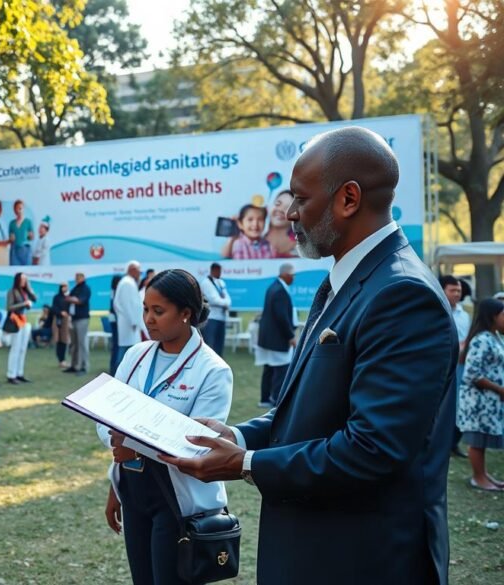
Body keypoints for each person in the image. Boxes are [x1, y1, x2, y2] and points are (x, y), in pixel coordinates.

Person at [161, 127, 457, 584]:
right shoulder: (347, 278)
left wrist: (243, 465)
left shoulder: (401, 293)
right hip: (317, 547)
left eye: (299, 198)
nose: (291, 213)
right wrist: (237, 437)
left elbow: (372, 449)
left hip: (360, 559)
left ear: (349, 199)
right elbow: (310, 411)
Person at [99, 269, 233, 585]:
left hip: (176, 498)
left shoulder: (213, 371)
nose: (148, 319)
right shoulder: (135, 355)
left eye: (158, 311)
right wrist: (116, 487)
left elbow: (199, 443)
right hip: (134, 489)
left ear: (186, 313)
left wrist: (136, 445)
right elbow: (109, 418)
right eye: (145, 308)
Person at [457, 298, 504, 491]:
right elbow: (472, 373)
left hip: (489, 401)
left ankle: (484, 475)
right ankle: (478, 478)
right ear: (493, 316)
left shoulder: (495, 337)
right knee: (477, 439)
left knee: (482, 439)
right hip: (477, 401)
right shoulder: (481, 339)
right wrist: (500, 390)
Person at [255, 263, 297, 407]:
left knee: (269, 368)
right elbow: (282, 317)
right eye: (292, 275)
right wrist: (291, 336)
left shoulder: (273, 287)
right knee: (281, 369)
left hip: (268, 339)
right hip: (277, 339)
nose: (294, 278)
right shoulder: (280, 290)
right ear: (285, 274)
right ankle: (277, 401)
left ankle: (264, 399)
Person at [440, 274, 470, 458]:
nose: (457, 294)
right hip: (443, 364)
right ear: (443, 290)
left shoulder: (464, 314)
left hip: (461, 364)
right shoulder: (438, 309)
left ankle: (454, 443)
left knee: (459, 404)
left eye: (458, 290)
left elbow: (466, 336)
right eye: (453, 290)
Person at [114, 261, 148, 373]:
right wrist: (134, 322)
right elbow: (128, 305)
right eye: (139, 271)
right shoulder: (127, 283)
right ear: (132, 270)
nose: (140, 274)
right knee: (125, 353)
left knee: (128, 353)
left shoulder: (128, 282)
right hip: (129, 324)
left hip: (129, 323)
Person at [5, 272, 37, 384]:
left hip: (24, 320)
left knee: (23, 348)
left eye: (25, 279)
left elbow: (35, 298)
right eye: (22, 279)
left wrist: (29, 288)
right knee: (15, 348)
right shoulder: (12, 291)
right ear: (17, 280)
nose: (24, 281)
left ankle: (19, 373)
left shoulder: (25, 291)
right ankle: (11, 375)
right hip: (15, 321)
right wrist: (24, 304)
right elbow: (9, 307)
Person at [64, 272, 92, 375]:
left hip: (82, 319)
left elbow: (80, 301)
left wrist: (71, 299)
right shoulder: (76, 288)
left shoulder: (85, 288)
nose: (77, 279)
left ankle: (83, 366)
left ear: (83, 278)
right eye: (76, 277)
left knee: (82, 343)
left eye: (79, 277)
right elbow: (68, 299)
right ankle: (74, 365)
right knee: (74, 343)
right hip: (74, 318)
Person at [200, 263, 230, 356]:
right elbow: (214, 300)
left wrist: (225, 302)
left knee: (219, 345)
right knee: (210, 345)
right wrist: (224, 302)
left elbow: (228, 300)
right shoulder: (206, 283)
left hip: (222, 317)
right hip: (211, 318)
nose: (220, 273)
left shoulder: (221, 282)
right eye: (218, 271)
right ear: (213, 270)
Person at [265, 190, 298, 257]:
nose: (281, 210)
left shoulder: (300, 248)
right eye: (278, 204)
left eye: (289, 208)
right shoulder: (252, 238)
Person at [51, 283, 72, 367]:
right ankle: (60, 359)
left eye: (66, 286)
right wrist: (60, 312)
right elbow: (54, 308)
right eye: (63, 287)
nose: (64, 288)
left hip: (66, 321)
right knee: (58, 340)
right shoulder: (57, 297)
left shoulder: (68, 298)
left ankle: (63, 359)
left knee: (64, 340)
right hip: (57, 320)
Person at [7, 200, 34, 266]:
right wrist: (11, 239)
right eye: (16, 209)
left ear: (23, 209)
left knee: (27, 270)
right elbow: (10, 239)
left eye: (20, 208)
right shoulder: (12, 223)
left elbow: (31, 238)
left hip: (25, 250)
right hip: (14, 251)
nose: (18, 211)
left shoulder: (28, 222)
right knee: (14, 271)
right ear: (14, 211)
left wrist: (30, 236)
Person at [108, 274, 122, 375]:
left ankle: (113, 367)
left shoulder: (113, 291)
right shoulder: (116, 292)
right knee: (117, 344)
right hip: (116, 321)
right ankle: (114, 369)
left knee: (115, 345)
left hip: (113, 320)